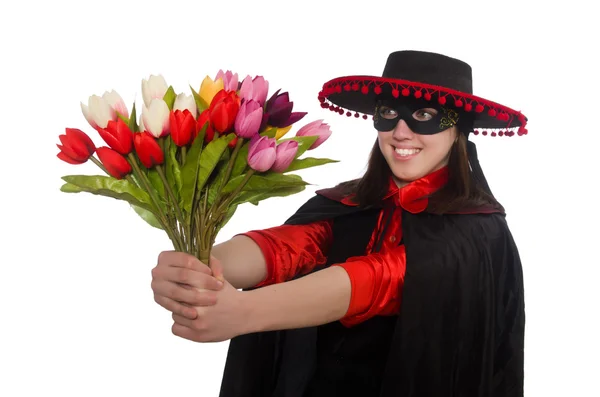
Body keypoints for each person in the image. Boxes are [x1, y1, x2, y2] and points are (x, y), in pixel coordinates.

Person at [150, 50, 527, 397]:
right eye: (388, 113)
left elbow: (383, 277)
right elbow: (294, 245)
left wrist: (245, 313)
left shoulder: (477, 232)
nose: (400, 132)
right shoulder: (346, 202)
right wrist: (201, 266)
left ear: (457, 129)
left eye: (424, 116)